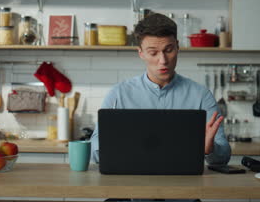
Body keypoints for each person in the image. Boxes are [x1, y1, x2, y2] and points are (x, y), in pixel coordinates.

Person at [90, 13, 231, 166]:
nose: (163, 61)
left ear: (177, 47)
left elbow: (223, 156)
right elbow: (93, 153)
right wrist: (111, 143)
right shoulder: (118, 94)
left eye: (168, 50)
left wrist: (209, 149)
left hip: (186, 186)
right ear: (141, 53)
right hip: (131, 185)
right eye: (153, 53)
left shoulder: (201, 96)